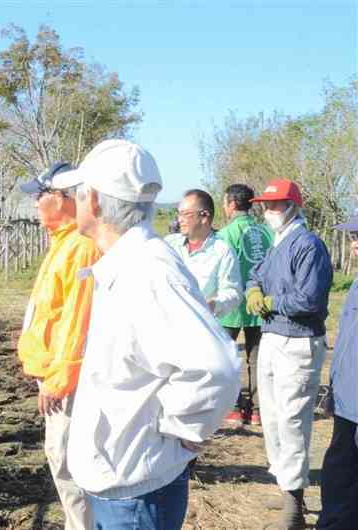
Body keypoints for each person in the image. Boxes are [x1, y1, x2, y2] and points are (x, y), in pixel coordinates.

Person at [52, 139, 241, 530]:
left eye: (79, 193)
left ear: (98, 203)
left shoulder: (148, 272)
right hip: (123, 483)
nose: (73, 200)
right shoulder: (130, 262)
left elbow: (215, 366)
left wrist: (181, 428)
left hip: (135, 494)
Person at [17, 162, 102, 530]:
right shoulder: (64, 244)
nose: (35, 203)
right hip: (56, 375)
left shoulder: (81, 248)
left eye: (40, 195)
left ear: (64, 199)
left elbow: (78, 320)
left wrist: (57, 379)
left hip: (67, 382)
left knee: (69, 464)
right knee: (62, 462)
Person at [245, 179, 333, 530]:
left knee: (293, 421)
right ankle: (286, 488)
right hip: (272, 337)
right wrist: (253, 288)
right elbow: (258, 273)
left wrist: (271, 302)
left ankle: (294, 505)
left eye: (277, 204)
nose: (269, 211)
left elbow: (309, 299)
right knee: (273, 419)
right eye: (266, 205)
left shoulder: (308, 244)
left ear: (294, 207)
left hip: (298, 341)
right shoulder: (278, 242)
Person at [218, 184, 273, 427]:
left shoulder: (226, 234)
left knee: (226, 357)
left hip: (231, 307)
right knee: (257, 357)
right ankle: (257, 410)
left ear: (230, 204)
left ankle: (233, 407)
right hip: (260, 305)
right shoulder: (266, 232)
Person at [317, 216, 358, 530]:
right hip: (347, 399)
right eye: (353, 237)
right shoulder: (356, 283)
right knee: (338, 476)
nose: (354, 245)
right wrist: (333, 388)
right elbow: (345, 342)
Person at [164, 189, 242, 319]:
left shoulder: (222, 251)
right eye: (179, 214)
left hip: (202, 327)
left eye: (185, 214)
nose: (180, 220)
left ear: (204, 216)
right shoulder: (169, 244)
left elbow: (233, 292)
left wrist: (212, 305)